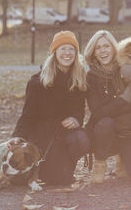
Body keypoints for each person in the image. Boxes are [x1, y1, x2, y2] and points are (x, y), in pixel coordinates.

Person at [9, 31, 90, 185]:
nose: (67, 53)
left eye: (71, 49)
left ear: (76, 53)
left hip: (65, 134)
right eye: (63, 49)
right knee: (56, 179)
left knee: (82, 139)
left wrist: (75, 119)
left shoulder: (79, 80)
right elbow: (28, 115)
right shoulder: (37, 82)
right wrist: (18, 135)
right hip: (43, 137)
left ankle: (67, 167)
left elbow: (79, 111)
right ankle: (55, 169)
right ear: (54, 53)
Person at [84, 30, 131, 183]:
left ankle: (123, 157)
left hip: (128, 131)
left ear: (114, 48)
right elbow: (99, 112)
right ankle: (100, 162)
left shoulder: (126, 67)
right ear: (93, 52)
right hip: (105, 133)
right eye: (98, 48)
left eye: (106, 46)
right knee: (105, 122)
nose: (103, 51)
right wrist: (127, 97)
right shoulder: (91, 77)